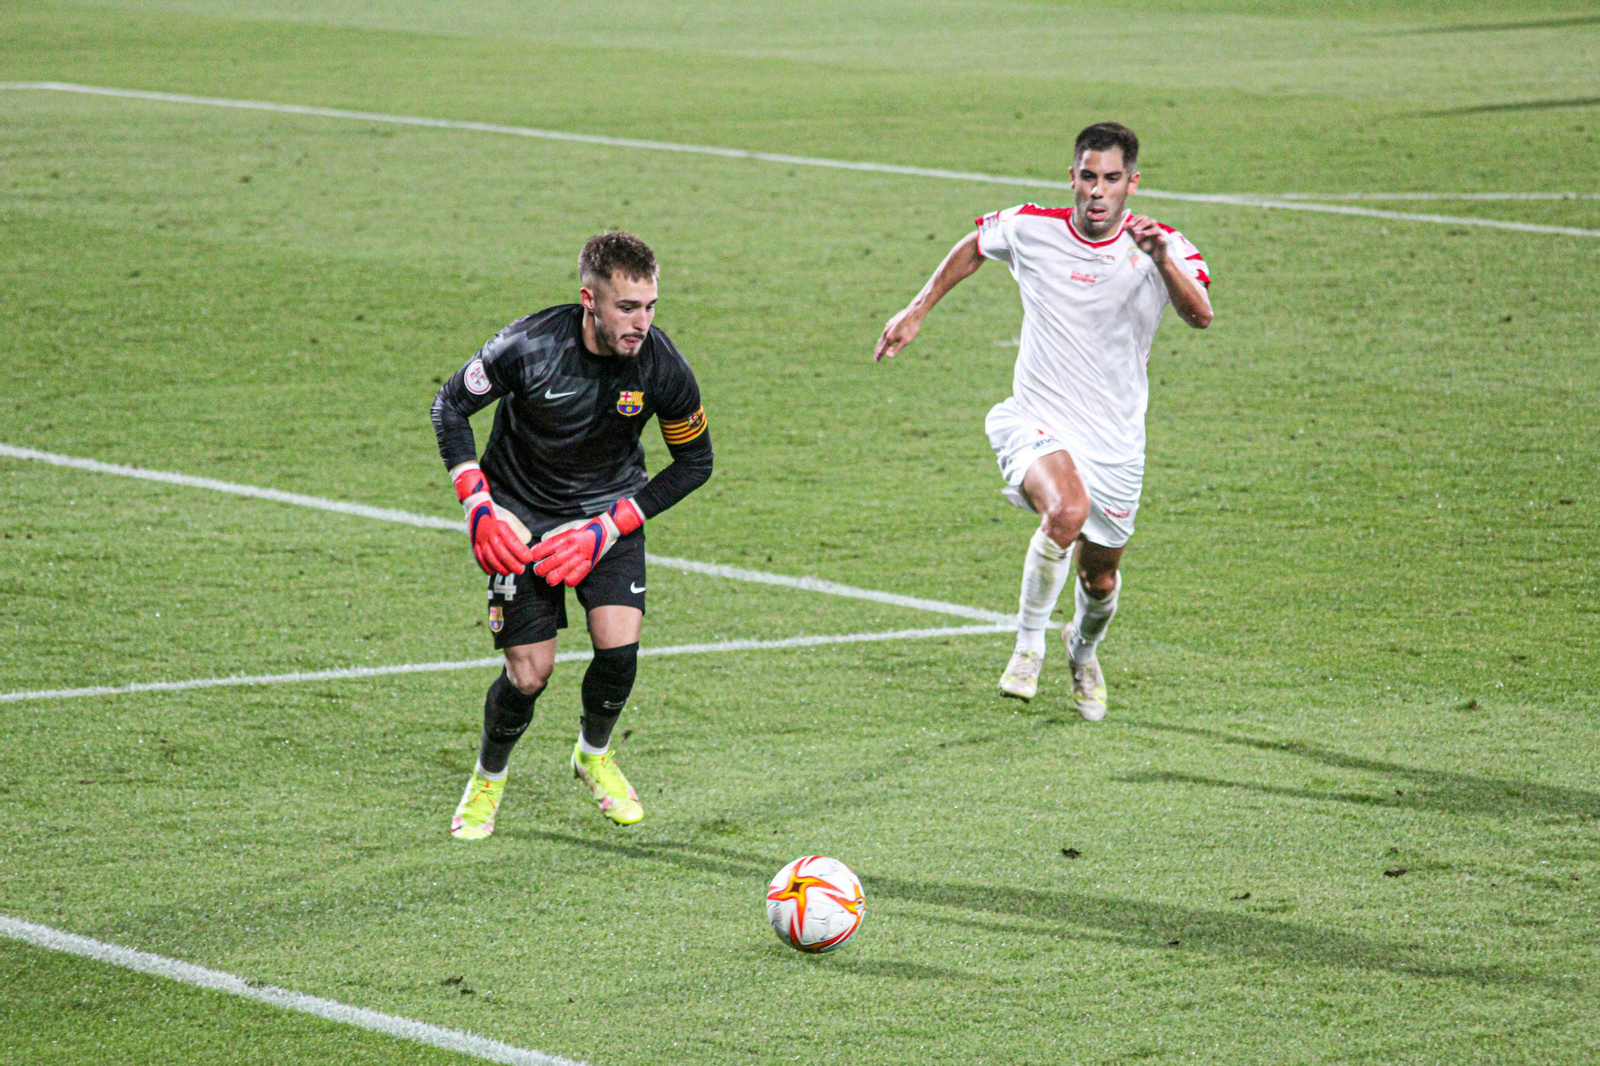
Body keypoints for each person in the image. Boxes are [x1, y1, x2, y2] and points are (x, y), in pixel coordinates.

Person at [873, 122, 1213, 720]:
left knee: (1101, 580)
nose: (1098, 192)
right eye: (1088, 177)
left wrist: (1160, 258)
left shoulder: (1165, 247)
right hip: (1036, 418)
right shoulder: (1034, 226)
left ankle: (1081, 651)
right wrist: (917, 308)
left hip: (1115, 441)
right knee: (1067, 510)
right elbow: (975, 246)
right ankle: (1027, 646)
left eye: (1111, 179)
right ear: (1073, 178)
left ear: (1132, 183)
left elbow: (1201, 315)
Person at [429, 230, 713, 838]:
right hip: (520, 521)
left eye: (651, 306)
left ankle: (593, 753)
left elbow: (696, 463)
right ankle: (489, 775)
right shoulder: (528, 346)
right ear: (590, 299)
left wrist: (609, 526)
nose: (641, 322)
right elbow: (449, 407)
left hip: (607, 520)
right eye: (626, 308)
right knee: (529, 675)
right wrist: (478, 503)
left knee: (619, 646)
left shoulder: (663, 367)